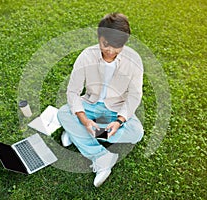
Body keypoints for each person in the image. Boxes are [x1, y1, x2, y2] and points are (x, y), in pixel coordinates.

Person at [57, 13, 144, 187]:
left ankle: (78, 134)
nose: (110, 51)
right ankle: (102, 157)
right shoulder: (86, 56)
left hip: (115, 110)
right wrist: (83, 118)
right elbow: (73, 91)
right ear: (99, 37)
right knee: (64, 113)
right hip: (90, 105)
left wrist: (119, 121)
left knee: (136, 132)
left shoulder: (134, 61)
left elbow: (134, 96)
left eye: (117, 46)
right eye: (106, 44)